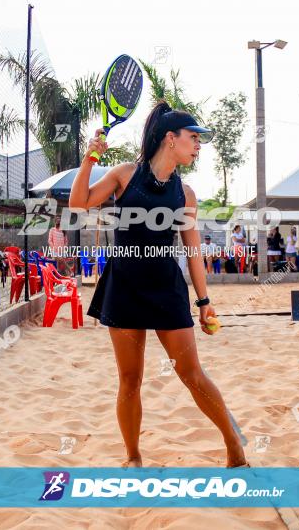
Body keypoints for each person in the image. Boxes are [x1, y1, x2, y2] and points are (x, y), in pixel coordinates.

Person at [70, 101, 246, 468]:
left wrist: (204, 301)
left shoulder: (187, 195)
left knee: (191, 373)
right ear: (171, 138)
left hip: (166, 288)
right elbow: (78, 202)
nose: (198, 145)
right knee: (130, 379)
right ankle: (133, 457)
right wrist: (89, 157)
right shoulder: (123, 175)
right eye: (193, 137)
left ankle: (233, 444)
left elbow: (193, 252)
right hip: (125, 285)